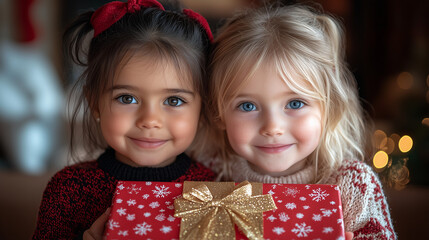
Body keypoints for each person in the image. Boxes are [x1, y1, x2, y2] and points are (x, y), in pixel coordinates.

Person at [199, 3, 396, 239]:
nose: (272, 127)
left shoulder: (352, 184)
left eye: (295, 104)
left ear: (328, 104)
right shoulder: (206, 173)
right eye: (247, 106)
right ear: (219, 113)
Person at [32, 0, 215, 239]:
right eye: (127, 98)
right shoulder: (69, 190)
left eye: (173, 101)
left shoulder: (214, 187)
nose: (150, 120)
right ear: (95, 102)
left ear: (203, 109)